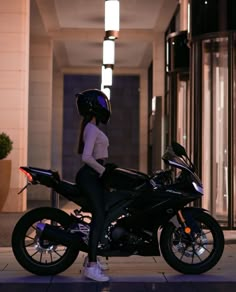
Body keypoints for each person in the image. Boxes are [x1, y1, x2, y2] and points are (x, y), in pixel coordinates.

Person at [75, 89, 116, 282]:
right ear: (93, 106)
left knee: (103, 213)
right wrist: (103, 172)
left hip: (94, 176)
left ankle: (92, 259)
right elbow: (86, 157)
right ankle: (91, 266)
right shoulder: (91, 128)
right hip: (90, 176)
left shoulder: (90, 127)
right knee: (99, 215)